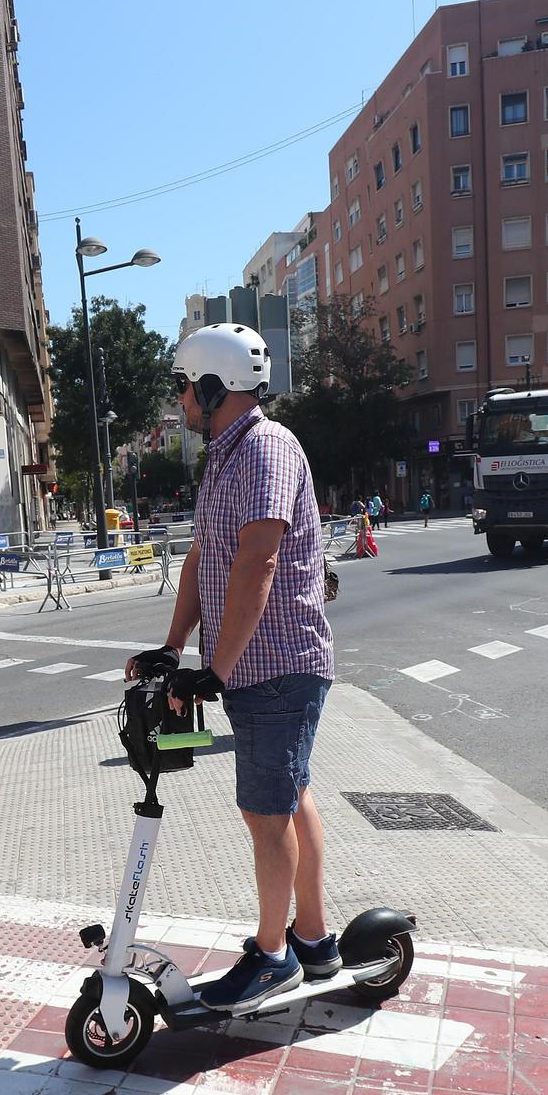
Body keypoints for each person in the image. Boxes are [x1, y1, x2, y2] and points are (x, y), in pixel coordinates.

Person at [125, 323, 336, 1013]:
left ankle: (273, 958)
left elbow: (258, 562)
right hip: (255, 666)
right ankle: (313, 939)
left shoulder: (267, 449)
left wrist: (213, 672)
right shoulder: (224, 455)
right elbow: (201, 558)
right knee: (289, 794)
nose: (180, 403)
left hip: (277, 663)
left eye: (184, 389)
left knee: (264, 808)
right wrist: (174, 645)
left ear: (213, 388)